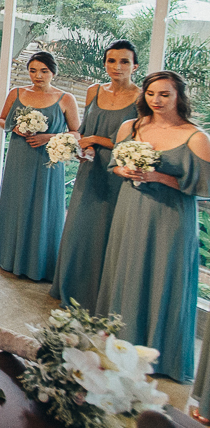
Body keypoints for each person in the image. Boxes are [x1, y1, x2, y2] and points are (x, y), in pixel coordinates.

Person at [98, 72, 210, 383]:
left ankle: (160, 357)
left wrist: (158, 177)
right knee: (126, 270)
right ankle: (121, 346)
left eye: (165, 95)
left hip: (170, 218)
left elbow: (205, 187)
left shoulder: (196, 137)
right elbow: (114, 165)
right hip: (130, 210)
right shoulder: (131, 127)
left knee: (164, 276)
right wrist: (127, 170)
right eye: (151, 94)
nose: (156, 101)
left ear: (179, 98)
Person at [50, 40, 139, 310]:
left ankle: (102, 297)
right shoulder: (93, 91)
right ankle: (74, 288)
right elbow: (84, 130)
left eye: (124, 61)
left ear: (135, 65)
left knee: (110, 231)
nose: (117, 67)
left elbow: (137, 142)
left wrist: (98, 139)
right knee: (81, 227)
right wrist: (78, 148)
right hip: (90, 168)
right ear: (105, 64)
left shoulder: (142, 97)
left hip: (119, 173)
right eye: (112, 61)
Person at [0, 51, 79, 281]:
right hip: (20, 158)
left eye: (44, 71)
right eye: (33, 70)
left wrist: (48, 137)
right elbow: (2, 119)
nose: (38, 76)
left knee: (44, 207)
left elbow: (77, 132)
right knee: (16, 203)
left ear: (53, 72)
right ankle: (8, 257)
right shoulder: (16, 93)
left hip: (48, 162)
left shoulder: (66, 99)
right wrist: (15, 128)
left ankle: (40, 265)